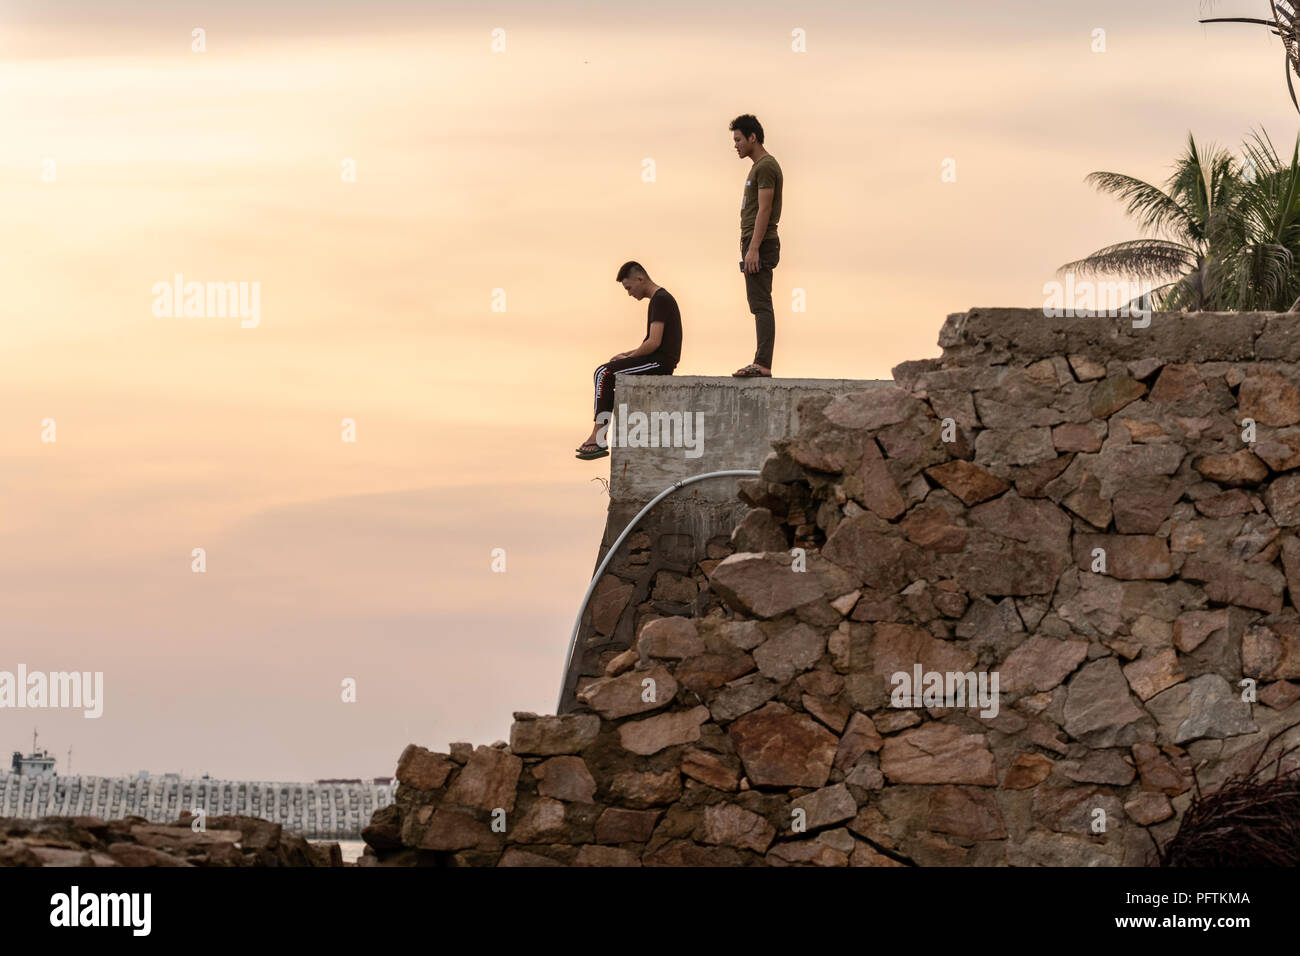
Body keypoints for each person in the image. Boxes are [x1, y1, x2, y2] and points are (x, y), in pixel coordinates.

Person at [576, 262, 682, 460]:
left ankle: (597, 436)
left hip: (660, 363)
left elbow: (653, 343)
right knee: (606, 373)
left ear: (640, 279)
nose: (629, 294)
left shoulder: (661, 300)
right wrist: (626, 355)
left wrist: (629, 358)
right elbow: (651, 342)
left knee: (603, 373)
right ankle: (599, 435)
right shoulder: (659, 299)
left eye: (629, 288)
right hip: (655, 359)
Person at [729, 113, 783, 378]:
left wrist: (753, 248)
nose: (735, 145)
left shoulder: (765, 167)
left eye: (739, 139)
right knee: (757, 303)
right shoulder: (757, 168)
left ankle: (762, 364)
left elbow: (765, 209)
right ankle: (761, 362)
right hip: (753, 241)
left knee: (761, 303)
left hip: (759, 242)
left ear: (753, 137)